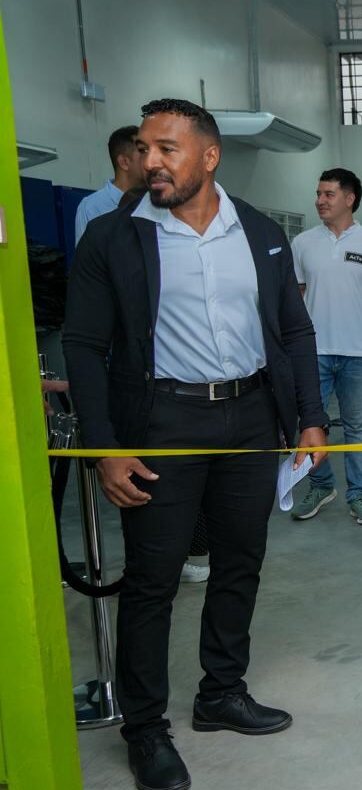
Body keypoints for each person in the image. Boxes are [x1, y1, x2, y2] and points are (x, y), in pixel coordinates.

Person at [63, 98, 328, 790]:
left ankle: (222, 691)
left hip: (249, 419)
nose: (151, 161)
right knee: (152, 581)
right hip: (162, 425)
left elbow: (294, 332)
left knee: (241, 561)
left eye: (167, 149)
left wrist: (310, 417)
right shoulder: (113, 239)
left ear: (209, 156)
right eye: (146, 148)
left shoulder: (262, 234)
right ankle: (145, 728)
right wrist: (105, 448)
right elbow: (85, 349)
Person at [115, 183, 211, 584]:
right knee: (154, 496)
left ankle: (196, 551)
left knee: (204, 497)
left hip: (216, 406)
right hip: (153, 405)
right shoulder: (118, 257)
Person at [290, 168, 362, 525]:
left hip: (359, 353)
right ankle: (320, 485)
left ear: (350, 199)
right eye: (318, 193)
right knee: (312, 424)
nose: (320, 201)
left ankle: (359, 496)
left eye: (329, 194)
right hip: (313, 353)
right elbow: (297, 296)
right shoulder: (302, 243)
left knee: (357, 427)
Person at [74, 124, 145, 246]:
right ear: (124, 162)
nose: (151, 160)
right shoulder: (91, 207)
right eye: (143, 152)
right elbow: (86, 261)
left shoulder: (153, 201)